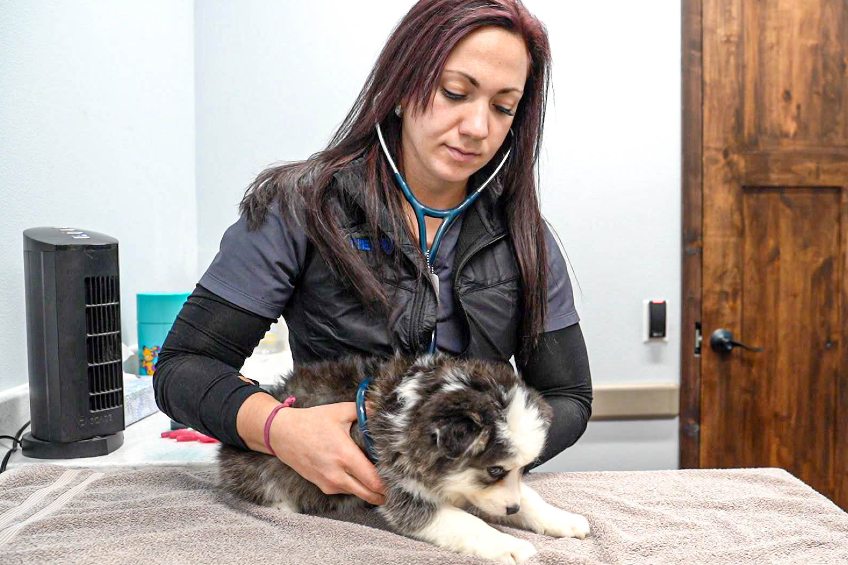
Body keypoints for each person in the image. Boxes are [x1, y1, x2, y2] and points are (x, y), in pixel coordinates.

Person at [153, 0, 592, 509]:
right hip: (333, 507)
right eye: (455, 92)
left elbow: (570, 399)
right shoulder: (301, 206)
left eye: (503, 106)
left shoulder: (526, 238)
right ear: (404, 87)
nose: (477, 126)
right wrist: (278, 429)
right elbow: (184, 366)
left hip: (462, 509)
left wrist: (479, 465)